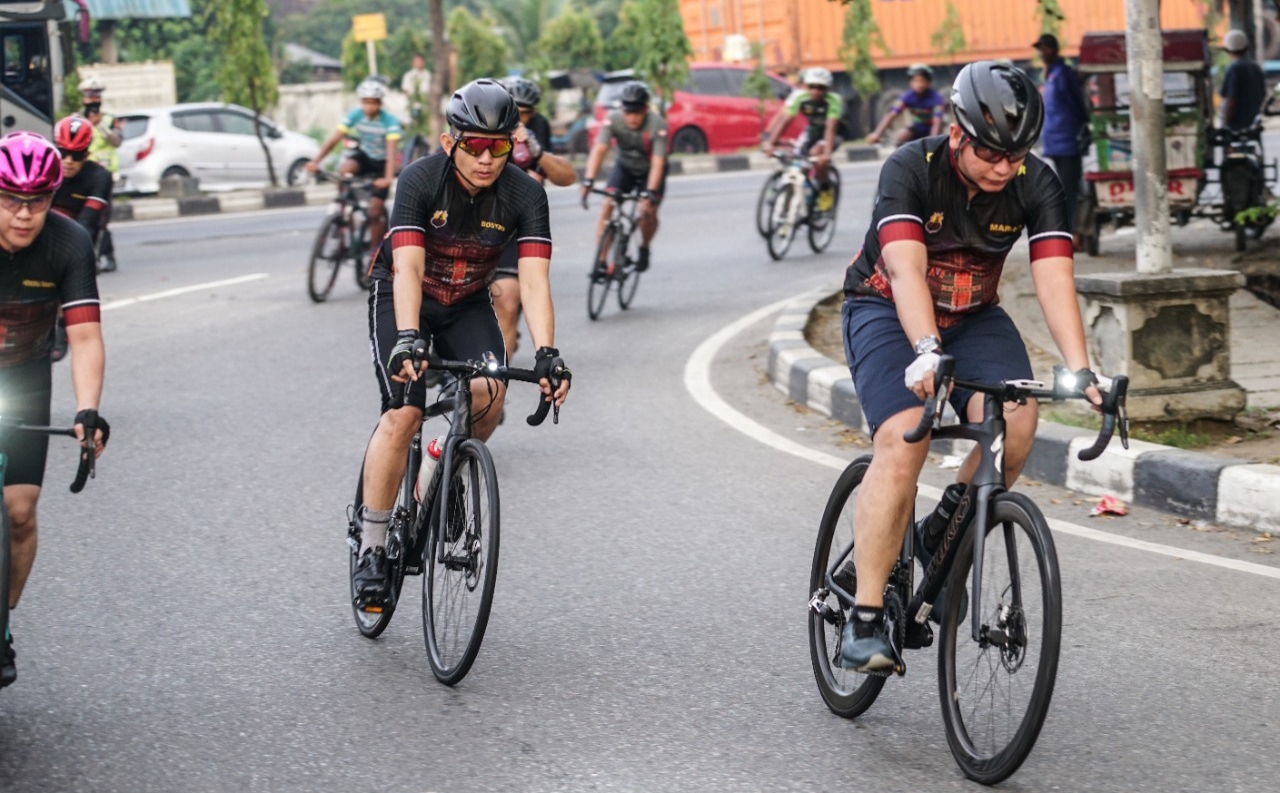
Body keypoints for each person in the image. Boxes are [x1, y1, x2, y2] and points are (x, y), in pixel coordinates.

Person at [838, 61, 1099, 672]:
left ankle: (942, 528)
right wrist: (926, 348)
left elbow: (1054, 277)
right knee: (907, 437)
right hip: (885, 306)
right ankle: (866, 616)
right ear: (957, 133)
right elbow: (905, 271)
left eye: (1016, 155)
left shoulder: (1037, 183)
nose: (1004, 167)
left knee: (1019, 421)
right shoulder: (911, 169)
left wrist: (1081, 369)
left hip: (975, 316)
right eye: (991, 153)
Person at [351, 79, 571, 606]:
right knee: (404, 411)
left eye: (499, 146)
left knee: (489, 395)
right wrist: (408, 339)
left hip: (467, 301)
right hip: (404, 295)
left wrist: (547, 354)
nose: (486, 158)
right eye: (474, 144)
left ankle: (441, 464)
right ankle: (374, 548)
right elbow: (407, 266)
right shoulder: (421, 181)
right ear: (451, 142)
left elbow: (536, 280)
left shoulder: (525, 194)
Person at [0, 131, 109, 687]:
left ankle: (3, 621)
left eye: (38, 200)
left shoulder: (67, 243)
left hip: (23, 373)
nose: (24, 213)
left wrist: (87, 411)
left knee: (19, 513)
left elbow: (85, 338)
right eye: (11, 199)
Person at [490, 77, 576, 362]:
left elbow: (566, 176)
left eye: (525, 113)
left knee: (508, 299)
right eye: (515, 111)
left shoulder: (534, 131)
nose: (519, 119)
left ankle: (494, 389)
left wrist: (536, 152)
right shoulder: (486, 126)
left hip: (511, 227)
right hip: (469, 223)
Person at [306, 78, 403, 261]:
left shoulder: (389, 121)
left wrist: (388, 178)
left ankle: (375, 253)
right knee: (345, 169)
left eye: (373, 102)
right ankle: (344, 208)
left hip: (383, 163)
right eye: (365, 102)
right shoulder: (356, 115)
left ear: (380, 103)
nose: (369, 107)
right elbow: (334, 139)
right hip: (365, 157)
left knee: (375, 210)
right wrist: (315, 161)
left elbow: (391, 152)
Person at [581, 80, 667, 273]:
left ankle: (644, 247)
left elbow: (658, 163)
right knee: (607, 205)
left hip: (649, 171)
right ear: (622, 110)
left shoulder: (657, 124)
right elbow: (599, 149)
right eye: (628, 112)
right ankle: (601, 260)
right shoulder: (613, 119)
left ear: (645, 109)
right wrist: (589, 179)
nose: (632, 118)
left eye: (637, 112)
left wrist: (651, 192)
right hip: (625, 167)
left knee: (647, 211)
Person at [1032, 33, 1090, 246]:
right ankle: (1069, 231)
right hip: (1054, 142)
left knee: (1070, 189)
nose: (1042, 52)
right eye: (1041, 49)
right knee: (1063, 189)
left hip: (1068, 140)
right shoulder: (1049, 75)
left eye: (1046, 48)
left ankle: (1074, 233)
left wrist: (1083, 127)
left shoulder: (1064, 74)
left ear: (1055, 50)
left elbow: (1078, 105)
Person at [762, 67, 844, 206]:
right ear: (807, 86)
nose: (816, 91)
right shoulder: (800, 97)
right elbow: (785, 120)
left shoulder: (833, 100)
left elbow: (830, 128)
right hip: (812, 132)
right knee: (794, 158)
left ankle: (825, 191)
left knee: (816, 156)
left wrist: (826, 154)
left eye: (821, 88)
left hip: (832, 134)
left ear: (827, 89)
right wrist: (771, 142)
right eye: (812, 87)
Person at [79, 76, 120, 272]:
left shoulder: (110, 120)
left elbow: (117, 141)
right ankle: (90, 258)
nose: (93, 100)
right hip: (83, 175)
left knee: (102, 218)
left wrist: (101, 125)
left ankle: (106, 256)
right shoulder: (77, 120)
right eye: (89, 96)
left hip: (105, 176)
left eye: (96, 96)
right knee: (86, 218)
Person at [866, 64, 946, 147]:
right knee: (901, 137)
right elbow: (891, 115)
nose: (919, 84)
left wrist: (932, 141)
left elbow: (937, 122)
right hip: (917, 129)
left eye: (922, 81)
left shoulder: (936, 98)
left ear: (928, 82)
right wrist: (877, 134)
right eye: (915, 81)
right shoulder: (907, 97)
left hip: (933, 130)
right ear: (910, 82)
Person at [1219, 28, 1266, 132]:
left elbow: (1231, 100)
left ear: (1228, 50)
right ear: (1246, 47)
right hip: (1253, 123)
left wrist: (1225, 125)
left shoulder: (1234, 69)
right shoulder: (1255, 67)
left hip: (1236, 126)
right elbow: (1262, 94)